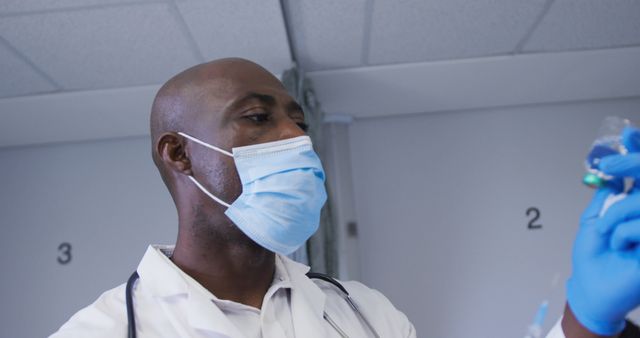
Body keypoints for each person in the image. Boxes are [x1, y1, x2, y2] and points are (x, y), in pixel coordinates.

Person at [49, 58, 640, 338]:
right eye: (257, 118)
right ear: (178, 154)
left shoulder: (366, 314)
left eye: (298, 119)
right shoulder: (100, 331)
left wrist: (585, 321)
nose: (295, 137)